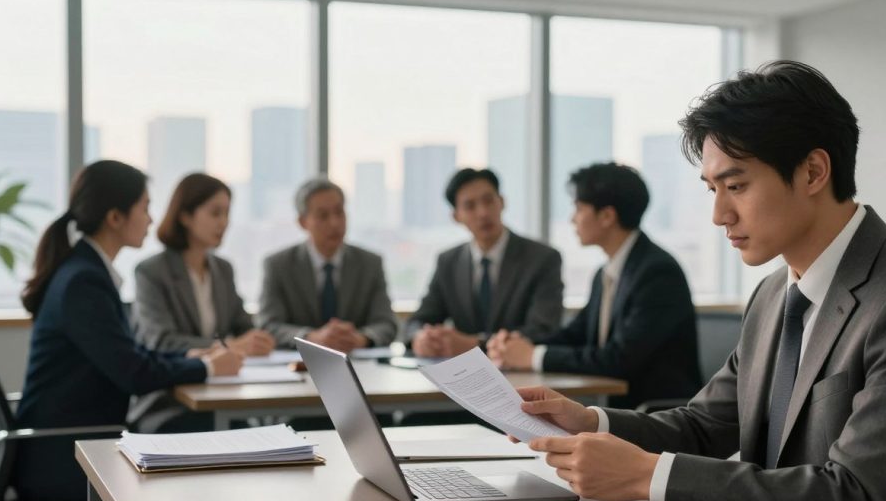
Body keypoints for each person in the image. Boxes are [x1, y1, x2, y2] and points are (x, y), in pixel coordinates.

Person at [508, 61, 886, 501]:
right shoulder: (774, 293)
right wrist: (591, 421)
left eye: (735, 186)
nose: (719, 215)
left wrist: (647, 474)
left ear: (813, 172)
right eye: (711, 189)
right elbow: (702, 426)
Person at [14, 160, 242, 501]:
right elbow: (132, 373)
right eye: (145, 207)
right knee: (214, 447)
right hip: (64, 455)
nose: (151, 218)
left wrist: (186, 356)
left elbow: (127, 355)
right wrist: (208, 367)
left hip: (74, 442)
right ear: (115, 217)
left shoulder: (85, 271)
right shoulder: (84, 281)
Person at [488, 162, 702, 409]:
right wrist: (520, 344)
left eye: (578, 208)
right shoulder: (607, 272)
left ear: (607, 216)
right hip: (617, 409)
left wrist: (533, 357)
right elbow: (576, 335)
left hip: (657, 413)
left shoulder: (657, 273)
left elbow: (618, 359)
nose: (572, 219)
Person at [407, 168, 563, 357]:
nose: (482, 213)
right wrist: (421, 338)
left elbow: (543, 330)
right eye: (470, 206)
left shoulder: (542, 258)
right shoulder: (448, 261)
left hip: (523, 374)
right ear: (456, 216)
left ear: (502, 202)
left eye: (489, 201)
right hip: (464, 376)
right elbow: (418, 321)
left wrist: (476, 344)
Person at [132, 172, 275, 354]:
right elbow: (162, 341)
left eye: (227, 213)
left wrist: (257, 339)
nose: (224, 222)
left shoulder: (223, 269)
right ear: (185, 216)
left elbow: (243, 326)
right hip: (174, 378)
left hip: (223, 376)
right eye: (215, 213)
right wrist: (227, 346)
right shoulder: (151, 271)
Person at [258, 177, 397, 351]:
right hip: (299, 367)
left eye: (339, 212)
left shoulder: (370, 263)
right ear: (303, 222)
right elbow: (268, 325)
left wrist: (360, 338)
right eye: (323, 216)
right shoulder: (278, 265)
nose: (335, 223)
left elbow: (386, 323)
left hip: (359, 366)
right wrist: (312, 337)